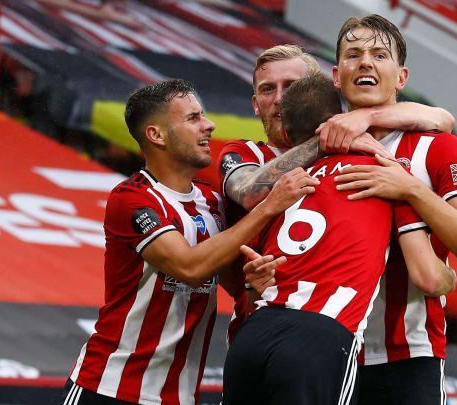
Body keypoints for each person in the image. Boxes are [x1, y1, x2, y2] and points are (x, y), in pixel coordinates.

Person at [230, 16, 457, 405]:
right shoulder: (314, 150)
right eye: (354, 55)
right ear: (337, 76)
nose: (366, 63)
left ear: (401, 77)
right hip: (329, 349)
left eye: (379, 55)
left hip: (407, 356)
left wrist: (413, 190)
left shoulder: (438, 148)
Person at [59, 79, 316, 405]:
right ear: (157, 135)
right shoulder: (132, 199)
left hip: (180, 397)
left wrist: (253, 286)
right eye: (193, 118)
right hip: (110, 388)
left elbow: (237, 289)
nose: (209, 125)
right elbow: (190, 267)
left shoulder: (212, 202)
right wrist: (268, 206)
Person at [222, 74, 455, 405]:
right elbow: (428, 276)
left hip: (253, 334)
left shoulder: (277, 187)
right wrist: (451, 276)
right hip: (321, 335)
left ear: (287, 134)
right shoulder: (380, 171)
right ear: (340, 120)